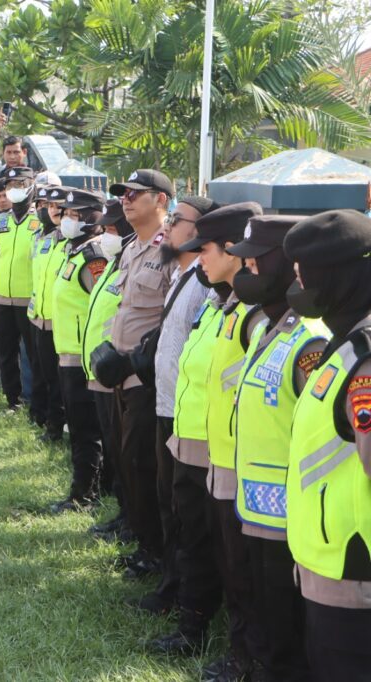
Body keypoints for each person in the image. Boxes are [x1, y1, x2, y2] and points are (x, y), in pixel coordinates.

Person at [152, 203, 265, 680]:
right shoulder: (221, 306)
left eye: (208, 251)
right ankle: (192, 622)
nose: (198, 260)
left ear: (235, 254)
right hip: (193, 440)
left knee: (225, 554)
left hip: (223, 454)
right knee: (193, 538)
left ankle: (231, 646)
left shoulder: (251, 317)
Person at [226, 215, 325, 680]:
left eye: (254, 261)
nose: (244, 271)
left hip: (290, 515)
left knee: (287, 627)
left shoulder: (311, 339)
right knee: (265, 610)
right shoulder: (270, 326)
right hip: (257, 505)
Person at [282, 210, 371, 682]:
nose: (297, 282)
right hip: (328, 565)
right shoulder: (345, 343)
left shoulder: (365, 359)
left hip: (355, 576)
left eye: (307, 273)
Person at [132, 196, 218, 616]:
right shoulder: (185, 274)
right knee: (168, 503)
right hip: (167, 404)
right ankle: (171, 584)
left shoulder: (205, 283)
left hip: (188, 417)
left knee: (185, 512)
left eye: (179, 220)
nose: (168, 226)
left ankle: (184, 596)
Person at [90, 169, 175, 581]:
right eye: (123, 193)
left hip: (145, 376)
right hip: (118, 373)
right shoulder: (131, 247)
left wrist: (134, 358)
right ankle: (143, 541)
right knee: (127, 461)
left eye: (135, 194)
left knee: (144, 463)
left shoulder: (172, 249)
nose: (125, 199)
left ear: (160, 200)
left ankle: (156, 552)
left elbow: (173, 318)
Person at [48, 189, 108, 512]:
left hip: (83, 358)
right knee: (79, 427)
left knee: (86, 431)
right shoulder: (75, 252)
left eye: (75, 215)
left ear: (92, 218)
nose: (68, 219)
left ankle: (85, 495)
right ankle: (85, 488)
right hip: (68, 353)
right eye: (66, 214)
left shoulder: (93, 258)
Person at [82, 199, 135, 541]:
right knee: (114, 447)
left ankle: (131, 518)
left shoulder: (130, 262)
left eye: (113, 230)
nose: (106, 235)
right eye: (105, 228)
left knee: (124, 451)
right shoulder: (116, 261)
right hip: (100, 367)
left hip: (120, 372)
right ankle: (123, 512)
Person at [0, 167, 38, 414]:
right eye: (10, 186)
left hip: (29, 299)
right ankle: (13, 400)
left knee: (33, 355)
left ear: (32, 186)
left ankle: (36, 401)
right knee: (6, 351)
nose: (14, 191)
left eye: (20, 185)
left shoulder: (40, 223)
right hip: (0, 297)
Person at [27, 185, 70, 440]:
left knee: (59, 381)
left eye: (59, 206)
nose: (54, 210)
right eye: (50, 206)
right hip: (40, 318)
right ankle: (44, 419)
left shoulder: (73, 244)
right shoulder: (45, 238)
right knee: (43, 374)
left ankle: (57, 427)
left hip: (61, 323)